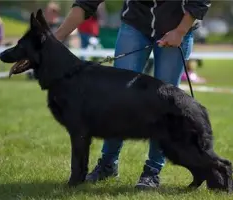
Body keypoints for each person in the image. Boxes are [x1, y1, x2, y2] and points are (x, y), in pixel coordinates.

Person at [54, 0, 211, 189]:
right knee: (116, 99)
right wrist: (55, 39)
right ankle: (107, 164)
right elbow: (87, 2)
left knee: (164, 104)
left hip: (177, 26)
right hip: (135, 24)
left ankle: (152, 171)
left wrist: (180, 31)